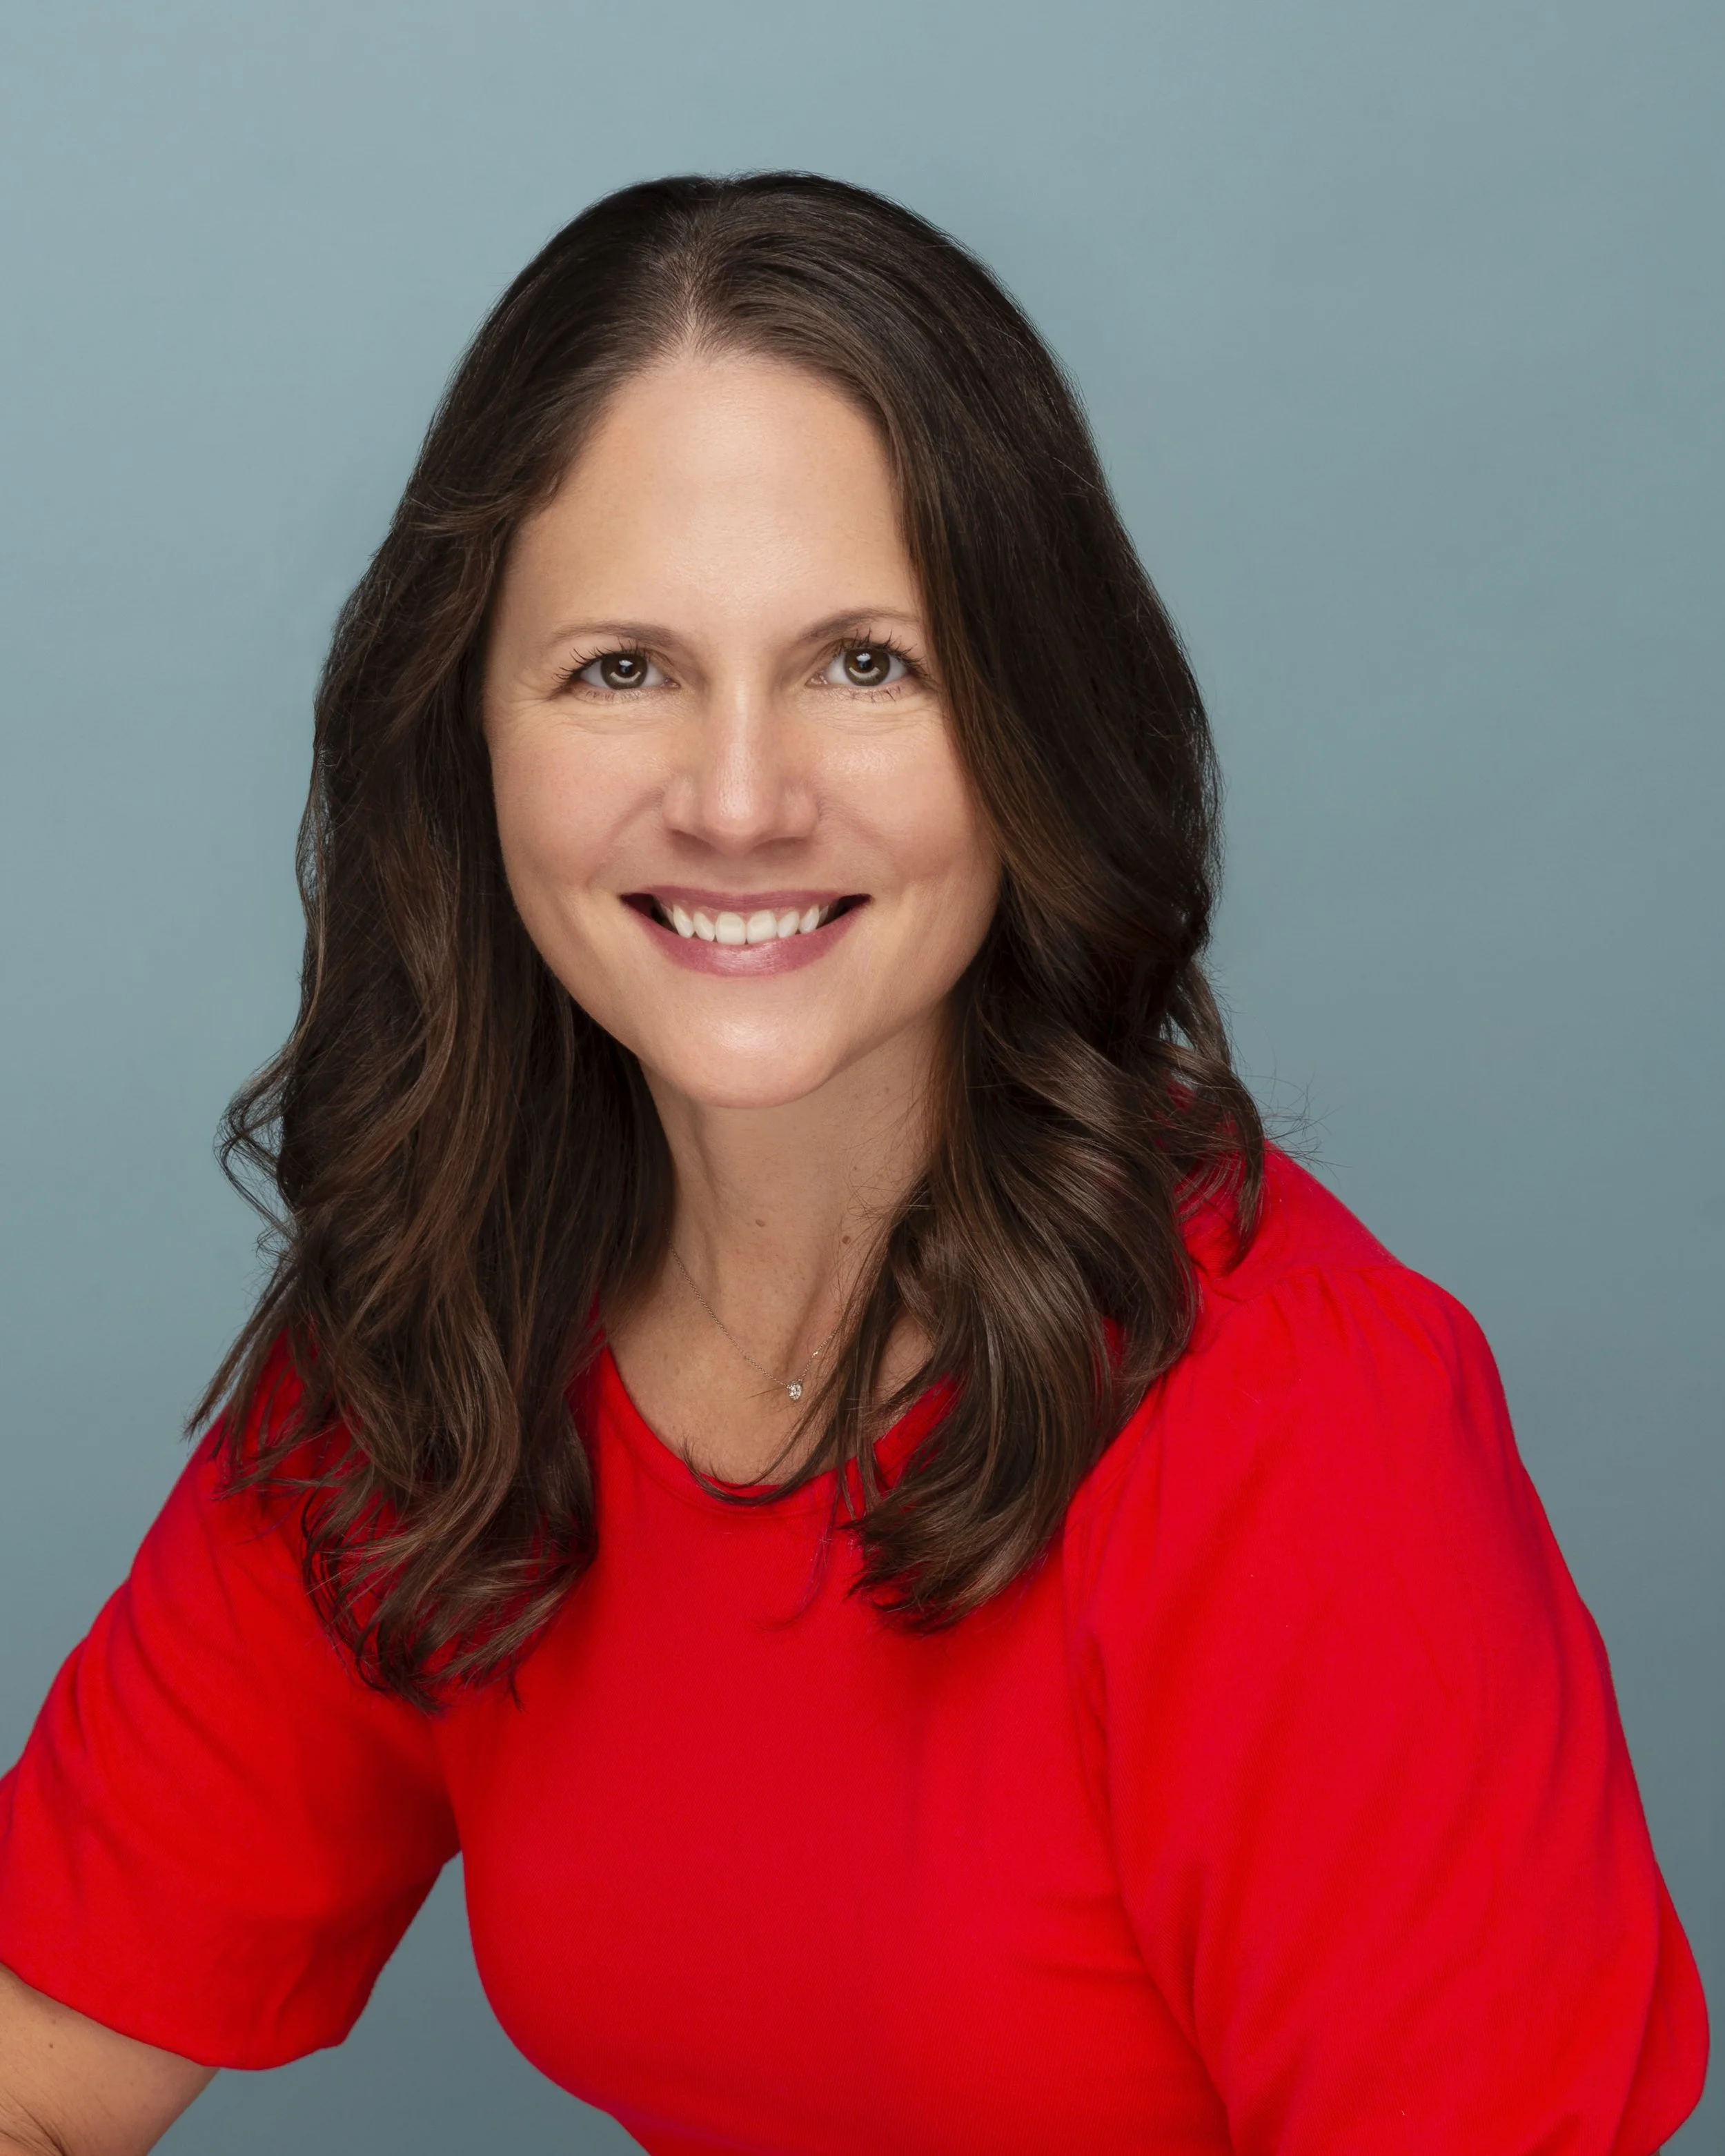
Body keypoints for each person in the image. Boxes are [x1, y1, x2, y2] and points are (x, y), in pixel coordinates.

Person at [0, 172, 1707, 2156]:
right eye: (619, 666)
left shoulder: (1299, 1430)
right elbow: (41, 2056)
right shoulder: (445, 1342)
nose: (739, 798)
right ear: (463, 736)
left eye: (865, 663)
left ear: (1029, 721)